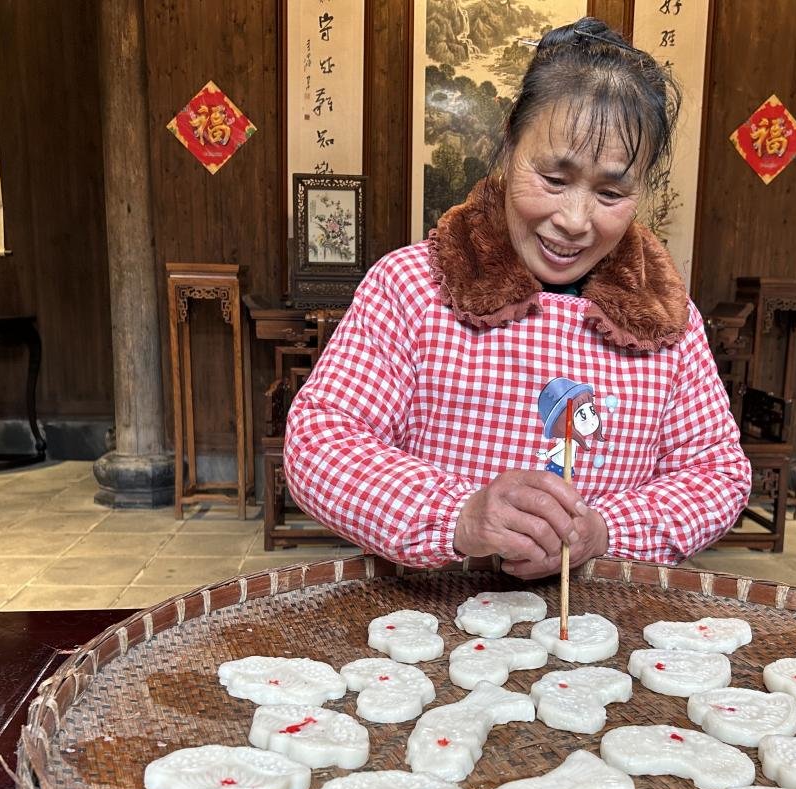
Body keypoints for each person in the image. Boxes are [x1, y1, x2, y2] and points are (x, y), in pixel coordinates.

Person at [284, 17, 750, 580]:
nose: (574, 221)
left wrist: (606, 530)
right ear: (509, 145)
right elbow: (320, 440)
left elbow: (717, 471)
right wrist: (457, 515)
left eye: (611, 193)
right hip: (429, 622)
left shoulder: (666, 322)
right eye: (554, 179)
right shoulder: (412, 287)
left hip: (601, 630)